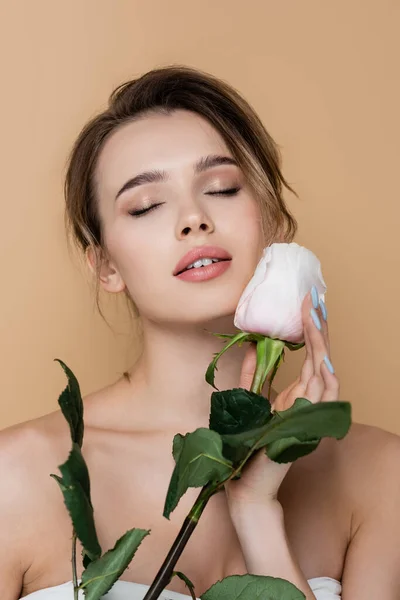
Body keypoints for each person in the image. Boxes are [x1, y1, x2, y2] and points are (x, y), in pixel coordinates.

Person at [1, 65, 399, 600]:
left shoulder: (380, 475)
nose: (193, 218)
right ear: (106, 267)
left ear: (273, 222)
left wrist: (256, 512)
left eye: (222, 188)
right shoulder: (18, 477)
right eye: (145, 206)